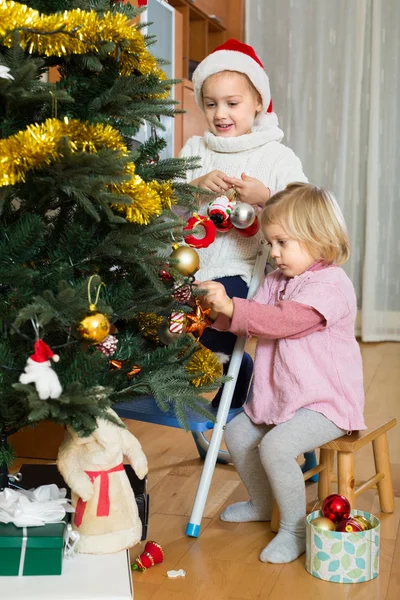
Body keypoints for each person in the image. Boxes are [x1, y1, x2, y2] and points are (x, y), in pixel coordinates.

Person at [198, 183, 365, 564]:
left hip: (325, 403)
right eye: (270, 243)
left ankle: (295, 529)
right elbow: (250, 323)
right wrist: (215, 313)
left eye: (281, 243)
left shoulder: (331, 285)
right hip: (284, 397)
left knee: (276, 447)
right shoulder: (275, 281)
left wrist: (233, 305)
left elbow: (283, 321)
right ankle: (262, 501)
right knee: (237, 433)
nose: (273, 253)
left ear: (318, 238)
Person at [179, 39, 307, 408]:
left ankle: (240, 371)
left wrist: (265, 195)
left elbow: (302, 211)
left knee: (212, 307)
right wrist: (193, 188)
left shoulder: (277, 155)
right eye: (211, 103)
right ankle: (225, 373)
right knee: (162, 307)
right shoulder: (194, 150)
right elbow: (162, 203)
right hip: (186, 261)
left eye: (232, 104)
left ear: (258, 103)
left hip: (243, 269)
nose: (221, 113)